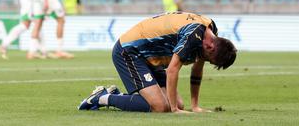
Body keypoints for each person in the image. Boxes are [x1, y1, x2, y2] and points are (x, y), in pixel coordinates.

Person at [79, 12, 237, 113]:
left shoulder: (210, 31)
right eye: (209, 59)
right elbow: (172, 70)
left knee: (179, 104)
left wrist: (194, 106)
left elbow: (197, 68)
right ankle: (102, 97)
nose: (204, 61)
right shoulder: (193, 35)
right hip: (129, 51)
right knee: (161, 107)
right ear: (210, 47)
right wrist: (174, 110)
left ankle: (116, 95)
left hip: (151, 59)